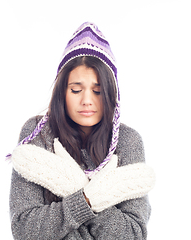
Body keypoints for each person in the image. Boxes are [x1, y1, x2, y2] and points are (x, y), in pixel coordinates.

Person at [8, 22, 155, 240]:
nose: (87, 101)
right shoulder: (38, 134)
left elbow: (132, 234)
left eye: (97, 91)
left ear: (110, 94)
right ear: (62, 92)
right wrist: (89, 200)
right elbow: (25, 229)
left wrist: (80, 194)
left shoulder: (127, 141)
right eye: (76, 90)